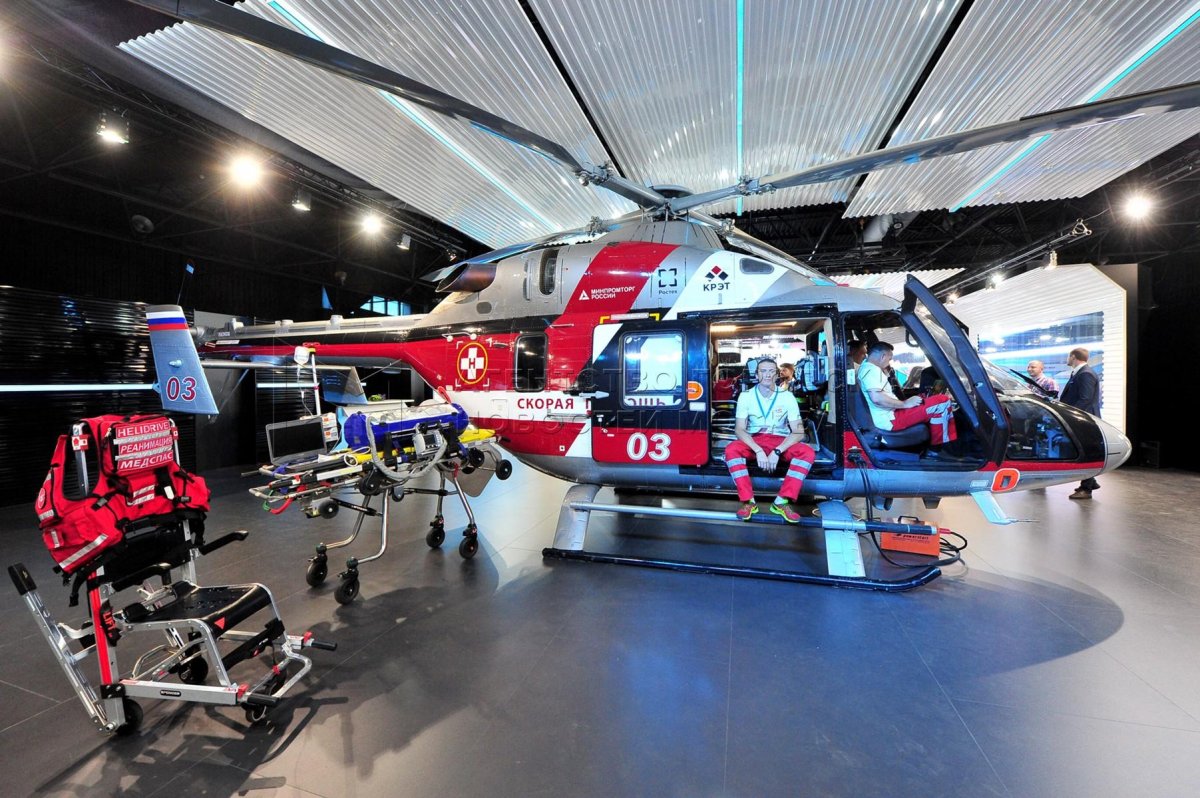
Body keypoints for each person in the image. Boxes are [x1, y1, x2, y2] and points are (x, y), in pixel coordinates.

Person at [724, 358, 816, 523]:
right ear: (756, 374)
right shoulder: (746, 396)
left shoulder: (787, 397)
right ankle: (748, 502)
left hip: (780, 440)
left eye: (771, 371)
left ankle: (781, 502)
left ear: (777, 375)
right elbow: (739, 430)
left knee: (807, 452)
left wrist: (777, 451)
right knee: (731, 450)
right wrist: (758, 450)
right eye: (763, 371)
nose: (767, 375)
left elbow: (798, 432)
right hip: (754, 440)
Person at [858, 342, 957, 445]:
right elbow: (877, 398)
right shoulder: (872, 370)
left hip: (889, 414)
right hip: (891, 419)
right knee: (942, 401)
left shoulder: (865, 367)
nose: (889, 363)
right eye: (889, 359)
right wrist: (905, 404)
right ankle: (940, 447)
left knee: (923, 397)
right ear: (883, 356)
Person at [1059, 347, 1101, 499]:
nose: (1067, 359)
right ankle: (1091, 482)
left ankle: (1086, 488)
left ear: (1073, 357)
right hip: (1082, 418)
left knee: (1086, 452)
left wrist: (1071, 415)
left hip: (1084, 419)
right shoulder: (1080, 373)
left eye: (1068, 356)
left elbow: (1085, 399)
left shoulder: (1085, 374)